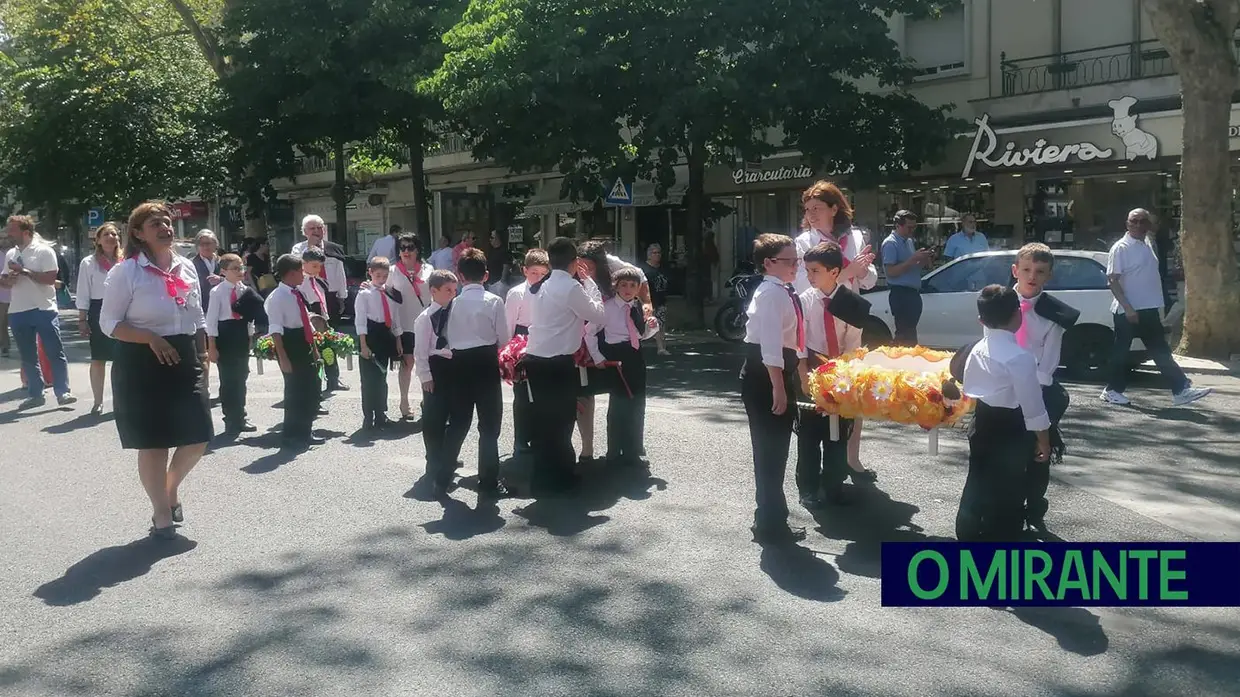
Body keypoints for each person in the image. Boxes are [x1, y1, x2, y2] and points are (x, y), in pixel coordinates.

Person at [100, 201, 212, 539]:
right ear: (138, 234)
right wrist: (148, 338)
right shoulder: (126, 271)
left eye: (167, 221)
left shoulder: (187, 268)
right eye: (155, 224)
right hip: (140, 360)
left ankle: (170, 488)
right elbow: (108, 324)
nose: (165, 228)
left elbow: (197, 316)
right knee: (154, 443)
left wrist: (204, 353)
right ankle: (161, 515)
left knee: (198, 436)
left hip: (183, 355)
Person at [793, 180, 879, 482]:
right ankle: (824, 463)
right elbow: (808, 286)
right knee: (824, 389)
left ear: (834, 208)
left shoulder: (853, 236)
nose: (812, 214)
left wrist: (864, 270)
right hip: (822, 316)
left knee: (853, 387)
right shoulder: (804, 242)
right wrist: (847, 273)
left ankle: (851, 458)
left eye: (818, 208)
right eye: (808, 210)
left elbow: (869, 281)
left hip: (850, 315)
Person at [954, 285, 1052, 541]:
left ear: (981, 320)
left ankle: (969, 530)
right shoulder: (1019, 357)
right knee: (1008, 486)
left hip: (982, 421)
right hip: (1010, 427)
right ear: (1018, 314)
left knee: (978, 477)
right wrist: (1044, 438)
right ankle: (1002, 536)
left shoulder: (977, 348)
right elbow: (1032, 405)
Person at [1101, 208, 1211, 407]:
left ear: (1148, 225)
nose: (1138, 225)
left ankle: (1180, 389)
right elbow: (1112, 280)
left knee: (1160, 350)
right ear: (1127, 224)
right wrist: (1128, 308)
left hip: (1148, 309)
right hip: (1129, 311)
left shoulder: (1148, 243)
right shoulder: (1121, 248)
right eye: (1134, 221)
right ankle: (1112, 390)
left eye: (1143, 221)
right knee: (1122, 352)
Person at [524, 237, 606, 495]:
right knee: (562, 422)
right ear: (574, 263)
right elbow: (597, 315)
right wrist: (590, 284)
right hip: (558, 363)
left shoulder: (540, 286)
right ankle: (562, 477)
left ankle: (542, 478)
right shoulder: (571, 287)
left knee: (544, 422)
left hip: (535, 360)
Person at [795, 241, 873, 509]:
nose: (809, 276)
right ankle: (807, 488)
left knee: (839, 432)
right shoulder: (803, 302)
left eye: (815, 271)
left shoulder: (850, 303)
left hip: (842, 370)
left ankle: (833, 485)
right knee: (809, 434)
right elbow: (799, 344)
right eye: (807, 270)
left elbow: (853, 342)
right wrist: (804, 374)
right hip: (812, 367)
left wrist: (847, 376)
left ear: (835, 272)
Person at [741, 233, 805, 545]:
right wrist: (778, 387)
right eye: (789, 261)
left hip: (775, 371)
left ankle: (772, 516)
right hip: (765, 374)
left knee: (775, 452)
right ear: (768, 263)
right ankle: (769, 522)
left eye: (797, 260)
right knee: (770, 453)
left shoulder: (782, 290)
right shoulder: (771, 294)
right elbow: (770, 346)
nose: (796, 265)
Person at [1010, 243, 1078, 532]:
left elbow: (1048, 364)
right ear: (1015, 271)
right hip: (1004, 390)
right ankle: (1008, 506)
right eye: (1026, 270)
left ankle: (1035, 506)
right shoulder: (999, 301)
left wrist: (1030, 400)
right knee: (1007, 453)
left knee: (1038, 452)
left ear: (1048, 276)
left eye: (1039, 272)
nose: (1031, 277)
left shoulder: (1055, 314)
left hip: (1039, 391)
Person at [439, 248, 510, 497]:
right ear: (486, 275)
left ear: (460, 276)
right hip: (485, 362)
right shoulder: (494, 301)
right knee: (489, 426)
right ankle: (489, 481)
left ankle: (442, 478)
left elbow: (446, 336)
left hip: (459, 363)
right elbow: (505, 337)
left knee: (458, 423)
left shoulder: (453, 303)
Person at [1, 215, 75, 409]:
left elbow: (51, 279)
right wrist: (9, 279)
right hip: (18, 310)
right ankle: (35, 393)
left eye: (12, 229)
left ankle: (63, 392)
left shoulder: (44, 251)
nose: (8, 233)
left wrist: (24, 271)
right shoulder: (10, 254)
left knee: (54, 352)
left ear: (26, 231)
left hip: (43, 308)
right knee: (27, 355)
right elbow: (4, 282)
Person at [592, 266, 659, 468]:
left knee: (637, 403)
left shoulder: (638, 307)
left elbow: (639, 336)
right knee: (619, 404)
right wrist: (597, 358)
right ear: (616, 287)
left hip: (635, 356)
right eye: (623, 285)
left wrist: (652, 328)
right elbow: (588, 333)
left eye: (632, 285)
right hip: (616, 357)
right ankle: (614, 448)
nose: (628, 289)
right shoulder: (607, 307)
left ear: (639, 288)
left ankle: (632, 449)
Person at [264, 254, 325, 450]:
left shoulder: (296, 293)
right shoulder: (277, 297)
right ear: (290, 273)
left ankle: (305, 431)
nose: (303, 274)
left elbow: (305, 322)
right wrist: (283, 357)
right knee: (294, 392)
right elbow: (275, 329)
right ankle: (291, 435)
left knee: (308, 389)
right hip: (290, 344)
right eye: (300, 271)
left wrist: (314, 349)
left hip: (303, 341)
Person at [414, 270, 460, 497]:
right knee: (435, 420)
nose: (453, 294)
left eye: (455, 290)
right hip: (436, 369)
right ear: (433, 291)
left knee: (454, 417)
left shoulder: (456, 313)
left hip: (454, 369)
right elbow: (421, 352)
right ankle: (434, 463)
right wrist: (426, 377)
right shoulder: (425, 319)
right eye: (448, 290)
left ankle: (447, 457)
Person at [206, 253, 261, 435]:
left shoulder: (245, 290)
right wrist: (212, 346)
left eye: (241, 268)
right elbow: (212, 321)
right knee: (229, 379)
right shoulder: (217, 292)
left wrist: (250, 337)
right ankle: (230, 417)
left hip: (240, 333)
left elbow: (249, 317)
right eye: (235, 269)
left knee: (241, 375)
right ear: (223, 271)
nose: (240, 272)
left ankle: (240, 415)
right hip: (225, 334)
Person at [505, 248, 550, 454]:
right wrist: (507, 355)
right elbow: (508, 325)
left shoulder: (550, 292)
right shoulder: (516, 293)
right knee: (522, 395)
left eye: (543, 274)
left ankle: (540, 436)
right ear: (525, 271)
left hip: (544, 342)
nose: (538, 278)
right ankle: (520, 439)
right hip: (520, 344)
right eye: (534, 273)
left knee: (542, 394)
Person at [76, 222, 122, 414]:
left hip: (123, 310)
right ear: (98, 240)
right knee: (99, 358)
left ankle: (121, 401)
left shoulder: (125, 260)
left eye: (114, 234)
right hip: (98, 310)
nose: (110, 238)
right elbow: (83, 291)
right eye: (106, 235)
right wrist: (82, 318)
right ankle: (98, 401)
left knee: (122, 358)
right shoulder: (89, 262)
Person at [387, 233, 433, 420]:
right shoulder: (392, 271)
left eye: (410, 248)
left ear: (418, 250)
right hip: (403, 325)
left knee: (427, 364)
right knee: (407, 364)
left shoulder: (428, 269)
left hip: (425, 325)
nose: (406, 251)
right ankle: (404, 402)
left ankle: (426, 400)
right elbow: (386, 299)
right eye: (402, 248)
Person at [354, 256, 403, 431]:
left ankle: (381, 415)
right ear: (370, 273)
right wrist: (363, 345)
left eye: (384, 276)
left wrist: (398, 339)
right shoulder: (364, 294)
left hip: (385, 334)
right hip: (370, 335)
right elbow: (360, 320)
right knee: (368, 379)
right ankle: (368, 417)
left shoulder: (389, 292)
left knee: (382, 378)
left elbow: (395, 317)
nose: (381, 280)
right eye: (378, 276)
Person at [298, 247, 347, 395]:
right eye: (314, 266)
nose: (318, 269)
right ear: (303, 263)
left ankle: (333, 379)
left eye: (320, 266)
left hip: (323, 318)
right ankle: (316, 387)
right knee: (316, 356)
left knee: (328, 350)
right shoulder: (300, 283)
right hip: (311, 319)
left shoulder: (319, 281)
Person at [880, 211, 932, 346]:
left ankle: (908, 359)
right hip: (900, 293)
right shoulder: (890, 243)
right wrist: (912, 259)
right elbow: (890, 272)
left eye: (914, 227)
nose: (912, 230)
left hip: (912, 292)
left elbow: (912, 267)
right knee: (903, 335)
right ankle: (900, 361)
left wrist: (923, 259)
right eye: (909, 227)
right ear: (898, 225)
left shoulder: (908, 241)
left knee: (910, 334)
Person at [640, 243, 671, 356]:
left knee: (660, 325)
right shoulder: (643, 269)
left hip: (661, 301)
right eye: (654, 253)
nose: (657, 255)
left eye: (659, 253)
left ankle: (661, 348)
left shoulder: (662, 268)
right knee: (644, 325)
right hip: (647, 302)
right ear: (649, 255)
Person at [485, 230, 510, 296]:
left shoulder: (504, 251)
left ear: (498, 238)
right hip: (491, 283)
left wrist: (502, 281)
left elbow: (506, 266)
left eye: (492, 237)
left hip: (499, 283)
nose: (490, 239)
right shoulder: (492, 251)